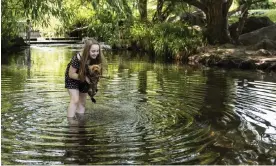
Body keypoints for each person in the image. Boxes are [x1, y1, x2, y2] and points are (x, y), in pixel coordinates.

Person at [65, 39, 105, 118]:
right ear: (87, 50)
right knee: (75, 100)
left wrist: (94, 82)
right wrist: (85, 78)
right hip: (73, 78)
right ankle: (71, 123)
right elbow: (71, 74)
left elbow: (97, 73)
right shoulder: (77, 58)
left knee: (82, 103)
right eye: (93, 51)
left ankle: (80, 122)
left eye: (97, 51)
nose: (96, 53)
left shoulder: (97, 58)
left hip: (86, 78)